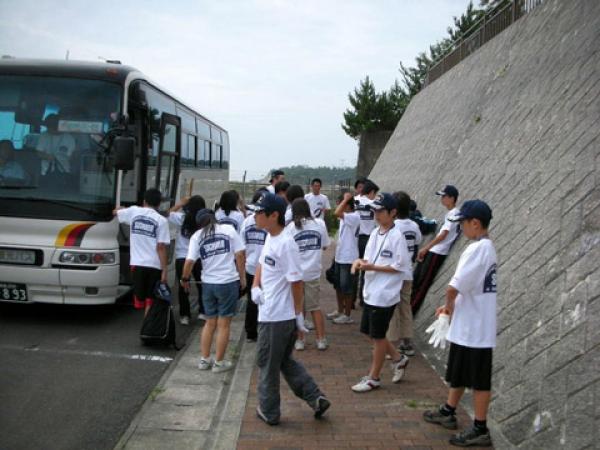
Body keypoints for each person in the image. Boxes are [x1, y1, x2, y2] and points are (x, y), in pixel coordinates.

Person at [250, 192, 330, 425]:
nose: (255, 216)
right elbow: (261, 264)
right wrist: (256, 285)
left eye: (259, 212)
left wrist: (298, 317)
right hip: (271, 311)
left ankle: (269, 410)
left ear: (273, 215)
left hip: (277, 316)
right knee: (284, 361)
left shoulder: (286, 243)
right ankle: (315, 397)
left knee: (267, 363)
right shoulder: (270, 238)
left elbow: (296, 282)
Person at [423, 200, 496, 448]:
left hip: (475, 328)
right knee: (460, 373)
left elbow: (454, 286)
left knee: (478, 380)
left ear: (475, 223)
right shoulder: (487, 248)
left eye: (463, 223)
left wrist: (447, 309)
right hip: (471, 325)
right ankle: (448, 410)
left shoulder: (476, 250)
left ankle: (480, 427)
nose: (462, 228)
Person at [350, 193, 411, 393]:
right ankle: (398, 358)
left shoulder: (397, 236)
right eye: (375, 210)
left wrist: (373, 267)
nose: (376, 214)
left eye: (381, 211)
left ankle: (374, 377)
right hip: (371, 290)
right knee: (371, 333)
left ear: (393, 213)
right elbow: (368, 259)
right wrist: (360, 262)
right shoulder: (376, 233)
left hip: (384, 294)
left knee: (377, 337)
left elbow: (398, 266)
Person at [181, 208, 246, 373]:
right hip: (228, 282)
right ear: (214, 218)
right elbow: (240, 254)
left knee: (210, 323)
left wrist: (185, 279)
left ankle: (204, 360)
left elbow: (189, 262)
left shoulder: (197, 236)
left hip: (208, 284)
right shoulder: (228, 230)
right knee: (224, 325)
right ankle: (219, 362)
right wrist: (242, 277)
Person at [114, 188, 170, 316]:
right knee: (151, 301)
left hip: (137, 264)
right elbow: (161, 247)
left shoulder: (134, 211)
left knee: (141, 301)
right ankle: (147, 329)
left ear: (144, 201)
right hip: (154, 266)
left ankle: (147, 326)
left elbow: (116, 212)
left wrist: (122, 208)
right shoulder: (161, 221)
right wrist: (164, 270)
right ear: (159, 204)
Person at [286, 198, 331, 351]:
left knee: (298, 308)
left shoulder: (291, 227)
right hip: (313, 272)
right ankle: (321, 339)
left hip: (296, 274)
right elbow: (325, 246)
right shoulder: (320, 224)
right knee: (315, 307)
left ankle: (300, 340)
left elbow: (287, 252)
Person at [411, 185, 461, 316]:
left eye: (444, 196)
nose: (442, 199)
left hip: (438, 253)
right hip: (434, 251)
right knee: (417, 280)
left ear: (452, 198)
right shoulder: (451, 213)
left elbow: (444, 234)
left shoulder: (454, 214)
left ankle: (411, 311)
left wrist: (426, 248)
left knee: (422, 284)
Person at [386, 191, 422, 357]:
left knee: (392, 309)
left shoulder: (393, 228)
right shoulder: (414, 226)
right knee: (405, 307)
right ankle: (407, 342)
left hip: (394, 273)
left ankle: (391, 345)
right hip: (408, 272)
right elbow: (417, 245)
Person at [168, 195, 207, 325]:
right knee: (202, 285)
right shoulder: (204, 221)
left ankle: (185, 315)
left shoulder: (181, 218)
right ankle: (202, 312)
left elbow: (167, 213)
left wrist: (180, 203)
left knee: (183, 285)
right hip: (198, 257)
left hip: (182, 257)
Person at [328, 192, 360, 324]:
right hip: (340, 255)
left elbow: (336, 212)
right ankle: (340, 310)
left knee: (347, 287)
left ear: (347, 205)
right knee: (338, 285)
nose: (338, 205)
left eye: (341, 203)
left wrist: (346, 198)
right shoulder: (345, 217)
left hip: (349, 257)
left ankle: (347, 314)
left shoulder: (354, 216)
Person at [241, 190, 269, 342]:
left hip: (252, 266)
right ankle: (254, 332)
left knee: (253, 302)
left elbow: (242, 245)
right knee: (258, 301)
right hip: (258, 267)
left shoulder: (246, 222)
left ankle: (252, 332)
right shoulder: (266, 223)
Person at [355, 179, 379, 304]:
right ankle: (363, 299)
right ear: (372, 192)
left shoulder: (355, 201)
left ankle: (351, 300)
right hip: (369, 239)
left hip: (356, 239)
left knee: (354, 268)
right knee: (366, 269)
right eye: (374, 194)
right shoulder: (374, 203)